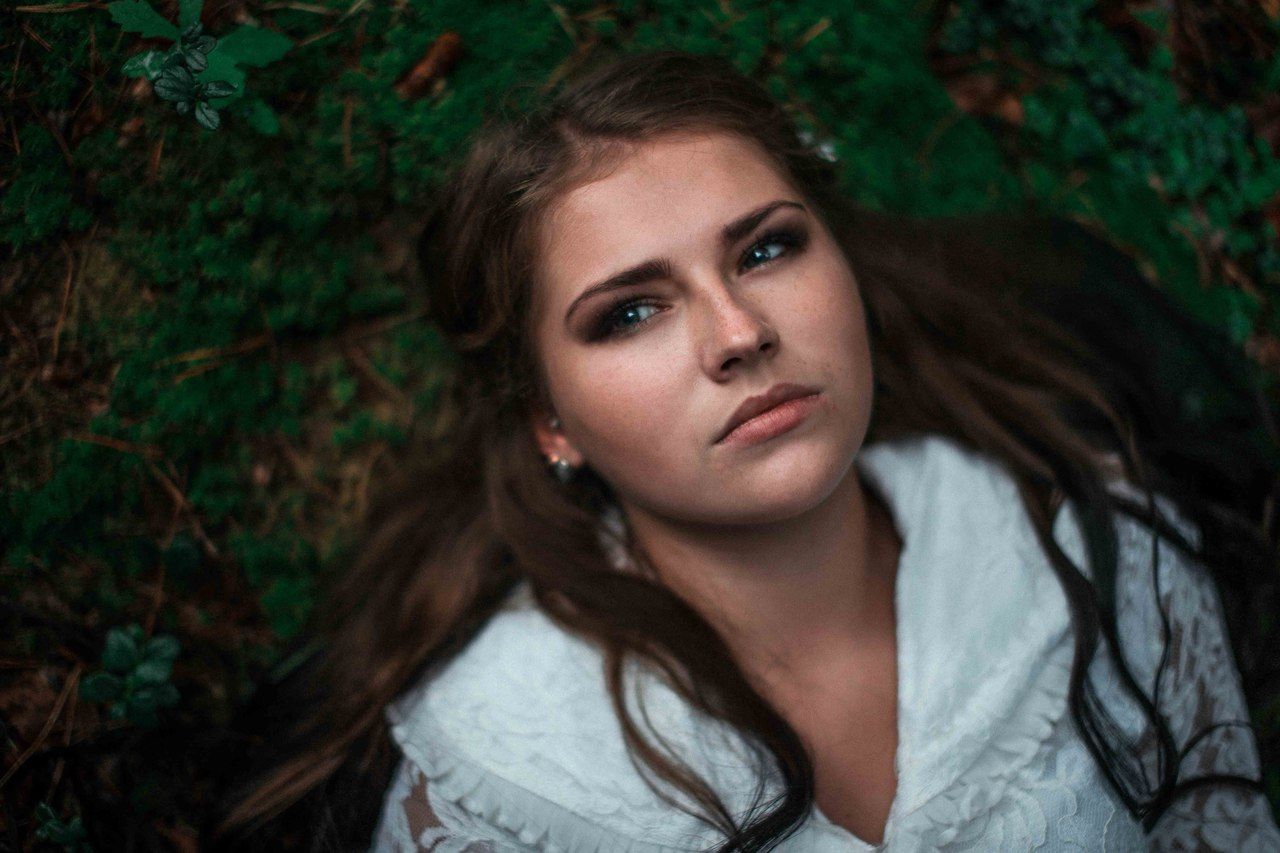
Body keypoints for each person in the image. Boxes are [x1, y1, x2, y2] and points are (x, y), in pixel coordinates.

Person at [210, 50, 1280, 851]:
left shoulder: (1093, 543)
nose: (738, 333)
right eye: (630, 313)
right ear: (549, 421)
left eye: (766, 249)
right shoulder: (494, 776)